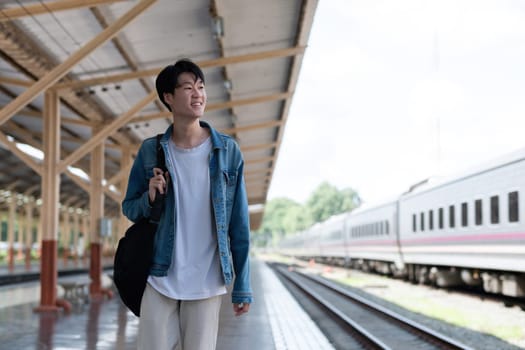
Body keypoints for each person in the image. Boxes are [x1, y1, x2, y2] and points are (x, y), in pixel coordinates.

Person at [122, 58, 253, 350]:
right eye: (188, 87)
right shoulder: (151, 151)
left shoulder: (227, 152)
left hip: (207, 281)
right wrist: (149, 198)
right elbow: (129, 207)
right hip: (160, 276)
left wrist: (242, 285)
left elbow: (238, 224)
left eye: (201, 87)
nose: (198, 94)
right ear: (168, 97)